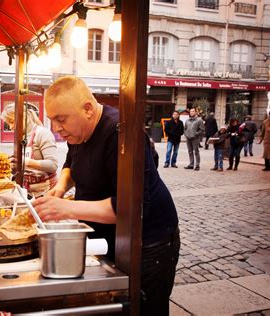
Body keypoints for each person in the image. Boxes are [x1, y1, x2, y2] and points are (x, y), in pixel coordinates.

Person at [32, 76, 179, 315]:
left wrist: (66, 209)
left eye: (61, 119)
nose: (56, 129)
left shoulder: (121, 134)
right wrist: (61, 188)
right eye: (51, 120)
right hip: (109, 238)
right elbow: (71, 162)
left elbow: (131, 208)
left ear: (88, 109)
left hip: (150, 243)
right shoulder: (78, 132)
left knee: (145, 308)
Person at [1, 103, 58, 196]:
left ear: (23, 117)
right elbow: (18, 165)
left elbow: (53, 165)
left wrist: (27, 162)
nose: (11, 127)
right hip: (28, 192)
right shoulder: (20, 137)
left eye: (12, 122)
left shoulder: (43, 133)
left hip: (46, 191)